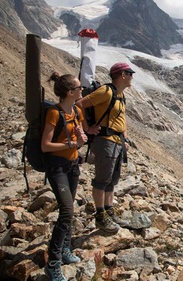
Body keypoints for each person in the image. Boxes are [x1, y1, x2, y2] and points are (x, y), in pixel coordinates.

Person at [76, 62, 133, 233]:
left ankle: (109, 210)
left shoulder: (120, 95)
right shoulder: (106, 91)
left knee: (112, 179)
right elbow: (79, 105)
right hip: (105, 140)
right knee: (102, 179)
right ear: (122, 75)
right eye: (130, 73)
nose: (132, 76)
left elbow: (122, 119)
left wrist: (126, 138)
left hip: (117, 141)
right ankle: (100, 215)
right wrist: (86, 128)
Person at [42, 73, 88, 281]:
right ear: (70, 92)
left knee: (69, 211)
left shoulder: (76, 112)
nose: (82, 91)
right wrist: (70, 144)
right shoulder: (54, 113)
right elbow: (46, 145)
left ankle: (66, 249)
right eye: (79, 89)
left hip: (73, 165)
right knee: (67, 211)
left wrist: (81, 138)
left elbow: (80, 139)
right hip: (58, 167)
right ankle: (53, 264)